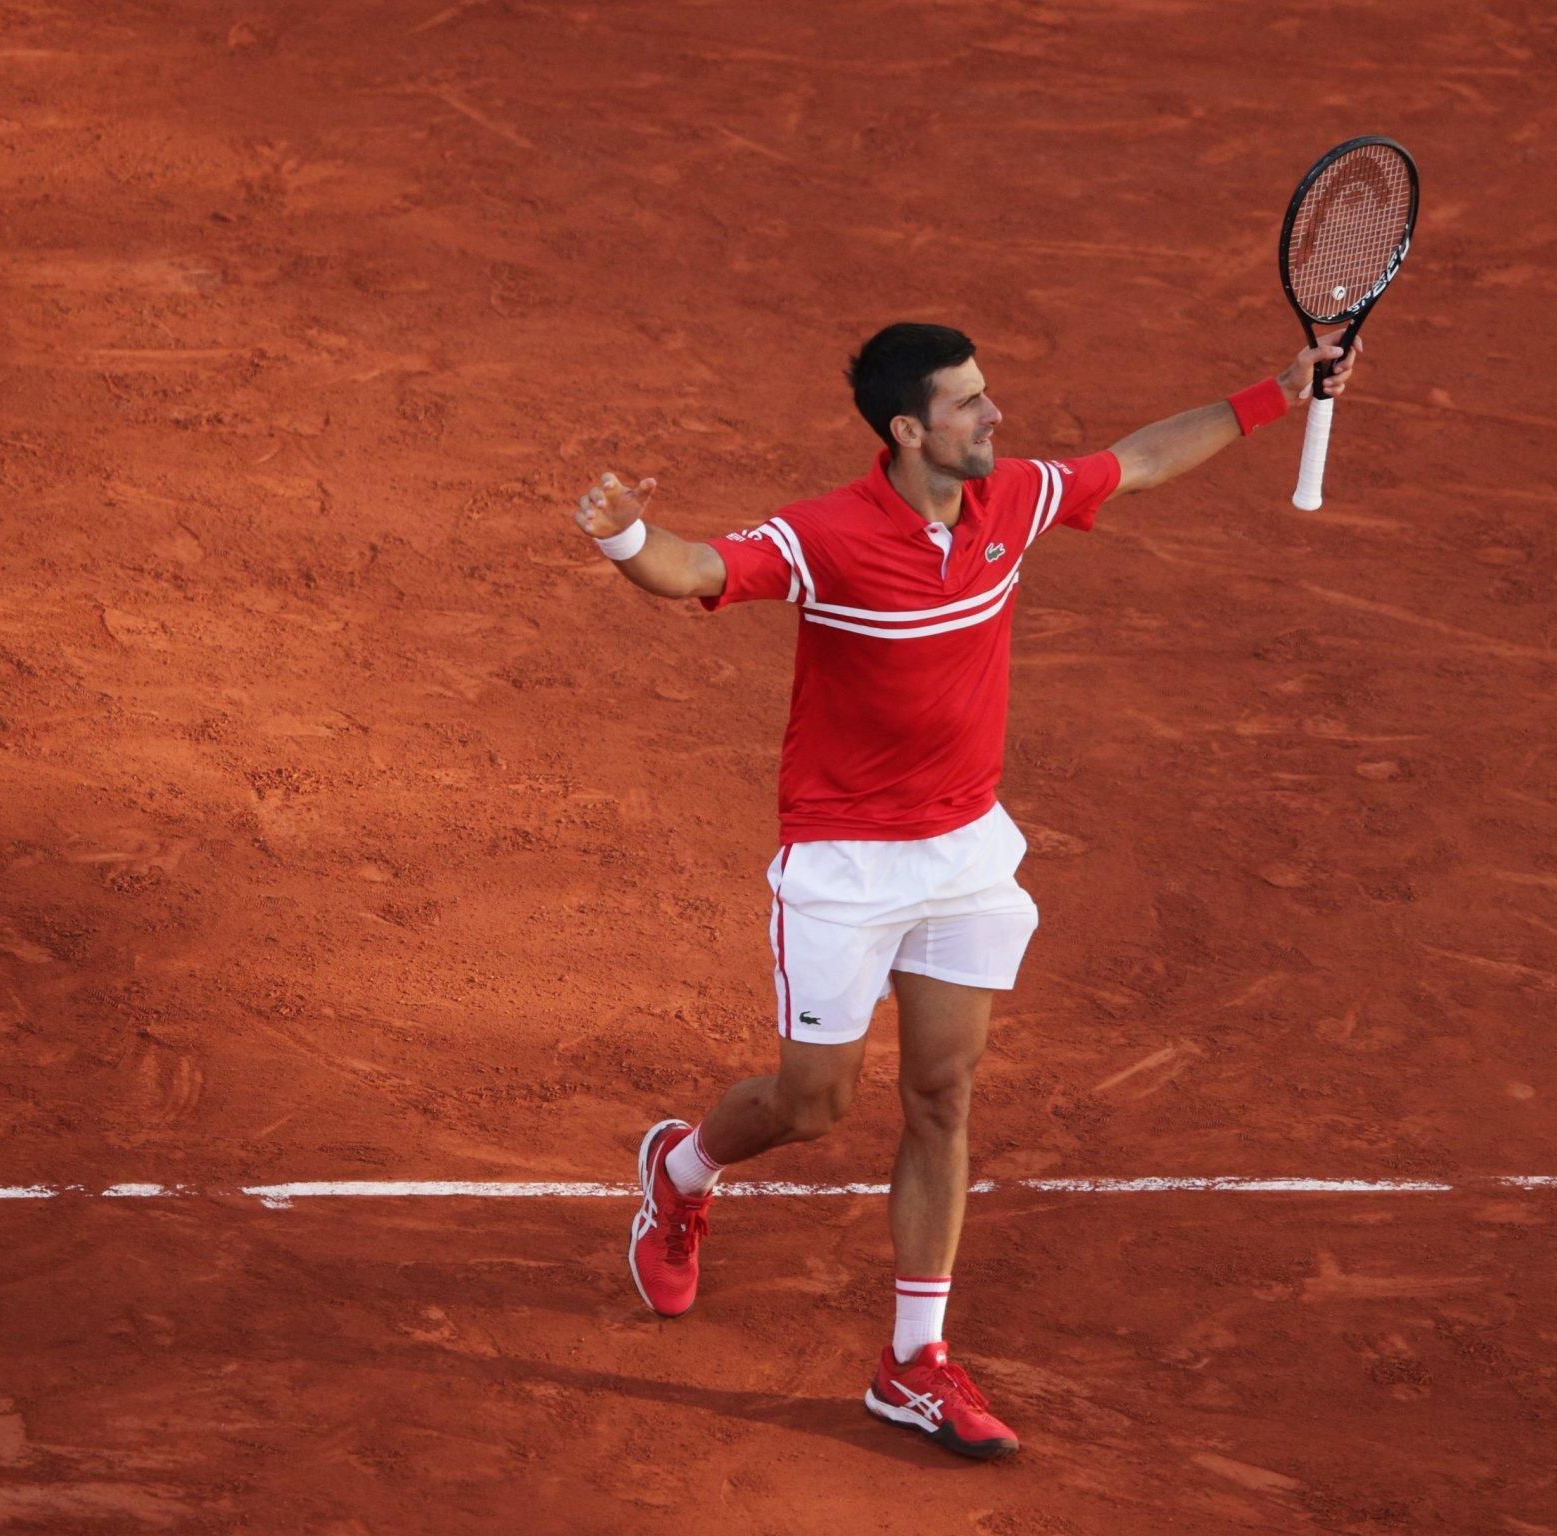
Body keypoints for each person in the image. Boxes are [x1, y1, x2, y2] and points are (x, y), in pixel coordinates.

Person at [568, 322, 1356, 1459]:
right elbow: (697, 570)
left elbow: (1137, 460)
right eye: (968, 404)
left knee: (942, 1095)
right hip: (845, 863)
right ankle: (681, 1169)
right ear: (907, 430)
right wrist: (623, 534)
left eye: (987, 396)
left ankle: (913, 1362)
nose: (994, 417)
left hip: (965, 854)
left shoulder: (1011, 501)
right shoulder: (828, 537)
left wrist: (1276, 392)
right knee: (813, 1104)